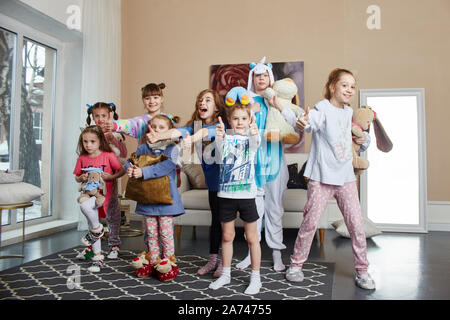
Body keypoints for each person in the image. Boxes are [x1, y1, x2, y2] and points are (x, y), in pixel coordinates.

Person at [285, 68, 375, 290]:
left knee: (356, 225)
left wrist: (365, 138)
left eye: (353, 86)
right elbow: (308, 124)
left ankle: (363, 271)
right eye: (345, 85)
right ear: (333, 86)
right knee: (310, 223)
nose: (349, 90)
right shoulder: (321, 108)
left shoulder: (349, 113)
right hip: (321, 177)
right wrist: (302, 122)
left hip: (345, 178)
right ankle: (295, 266)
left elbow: (359, 142)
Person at [146, 89, 227, 278]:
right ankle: (213, 260)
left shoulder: (221, 126)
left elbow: (208, 132)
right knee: (215, 222)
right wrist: (160, 136)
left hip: (227, 183)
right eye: (200, 99)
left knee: (224, 223)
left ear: (216, 107)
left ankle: (225, 262)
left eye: (207, 99)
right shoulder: (194, 126)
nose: (202, 102)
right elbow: (178, 131)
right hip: (213, 183)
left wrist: (192, 138)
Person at [237, 57, 297, 272]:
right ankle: (249, 253)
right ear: (252, 79)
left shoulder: (279, 102)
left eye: (264, 76)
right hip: (252, 165)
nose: (260, 79)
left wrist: (277, 104)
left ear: (270, 78)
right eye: (257, 76)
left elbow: (293, 126)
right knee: (252, 212)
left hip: (274, 163)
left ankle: (276, 253)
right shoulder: (246, 103)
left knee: (274, 209)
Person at [209, 100, 262, 295]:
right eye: (236, 118)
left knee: (251, 237)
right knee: (227, 236)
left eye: (244, 118)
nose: (240, 122)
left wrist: (255, 131)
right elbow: (220, 149)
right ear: (230, 121)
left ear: (249, 120)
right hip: (226, 196)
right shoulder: (225, 140)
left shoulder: (253, 140)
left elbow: (256, 141)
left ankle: (256, 278)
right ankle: (226, 274)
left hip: (247, 196)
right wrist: (220, 135)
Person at [125, 114, 185, 281]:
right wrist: (130, 169)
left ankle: (168, 261)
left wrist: (143, 171)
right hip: (148, 199)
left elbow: (165, 166)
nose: (157, 130)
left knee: (165, 233)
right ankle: (153, 260)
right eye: (154, 127)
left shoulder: (172, 149)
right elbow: (131, 160)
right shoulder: (143, 148)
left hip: (165, 201)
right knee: (151, 232)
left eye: (161, 128)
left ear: (169, 132)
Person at [76, 102, 127, 261]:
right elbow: (83, 154)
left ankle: (114, 245)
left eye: (103, 116)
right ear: (92, 116)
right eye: (96, 116)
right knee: (91, 214)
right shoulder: (90, 132)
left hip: (108, 181)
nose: (100, 119)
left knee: (112, 213)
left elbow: (123, 154)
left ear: (109, 116)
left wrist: (113, 139)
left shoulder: (114, 133)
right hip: (91, 183)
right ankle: (91, 247)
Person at [107, 83, 176, 143]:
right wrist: (113, 125)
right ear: (143, 100)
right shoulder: (140, 121)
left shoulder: (169, 118)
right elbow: (127, 124)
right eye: (147, 98)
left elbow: (177, 135)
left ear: (161, 99)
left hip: (166, 157)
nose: (152, 101)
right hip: (145, 157)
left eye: (155, 97)